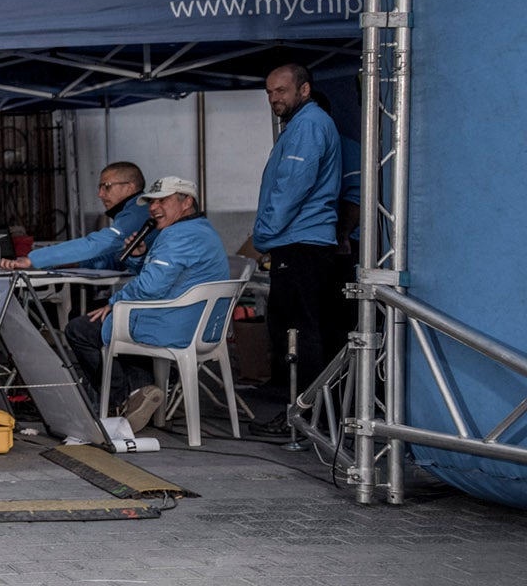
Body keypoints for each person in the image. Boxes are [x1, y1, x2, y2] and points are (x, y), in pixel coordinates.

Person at [63, 177, 230, 434]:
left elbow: (151, 286)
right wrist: (140, 256)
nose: (153, 208)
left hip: (174, 326)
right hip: (197, 325)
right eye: (151, 202)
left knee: (80, 329)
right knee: (116, 325)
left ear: (187, 202)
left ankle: (123, 399)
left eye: (162, 200)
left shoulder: (177, 235)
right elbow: (164, 277)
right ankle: (144, 389)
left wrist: (114, 301)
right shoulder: (201, 230)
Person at [249, 63, 348, 410]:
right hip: (304, 243)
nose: (274, 98)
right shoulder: (303, 125)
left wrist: (263, 234)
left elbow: (291, 187)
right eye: (270, 92)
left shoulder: (307, 125)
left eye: (282, 91)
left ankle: (304, 413)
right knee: (302, 330)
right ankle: (310, 413)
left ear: (304, 90)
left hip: (300, 244)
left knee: (295, 334)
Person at [0, 162, 151, 272]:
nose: (100, 194)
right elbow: (118, 259)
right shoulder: (133, 211)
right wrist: (76, 263)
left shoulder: (137, 211)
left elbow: (96, 244)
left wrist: (32, 259)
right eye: (100, 187)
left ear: (130, 187)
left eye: (107, 186)